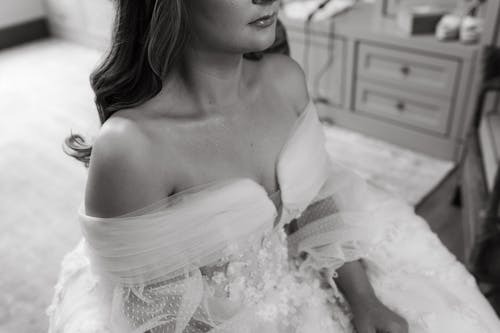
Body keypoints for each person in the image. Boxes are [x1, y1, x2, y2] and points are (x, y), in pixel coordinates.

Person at [47, 0, 500, 332]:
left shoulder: (286, 80)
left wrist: (363, 301)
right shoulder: (132, 150)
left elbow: (315, 197)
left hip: (304, 282)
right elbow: (157, 319)